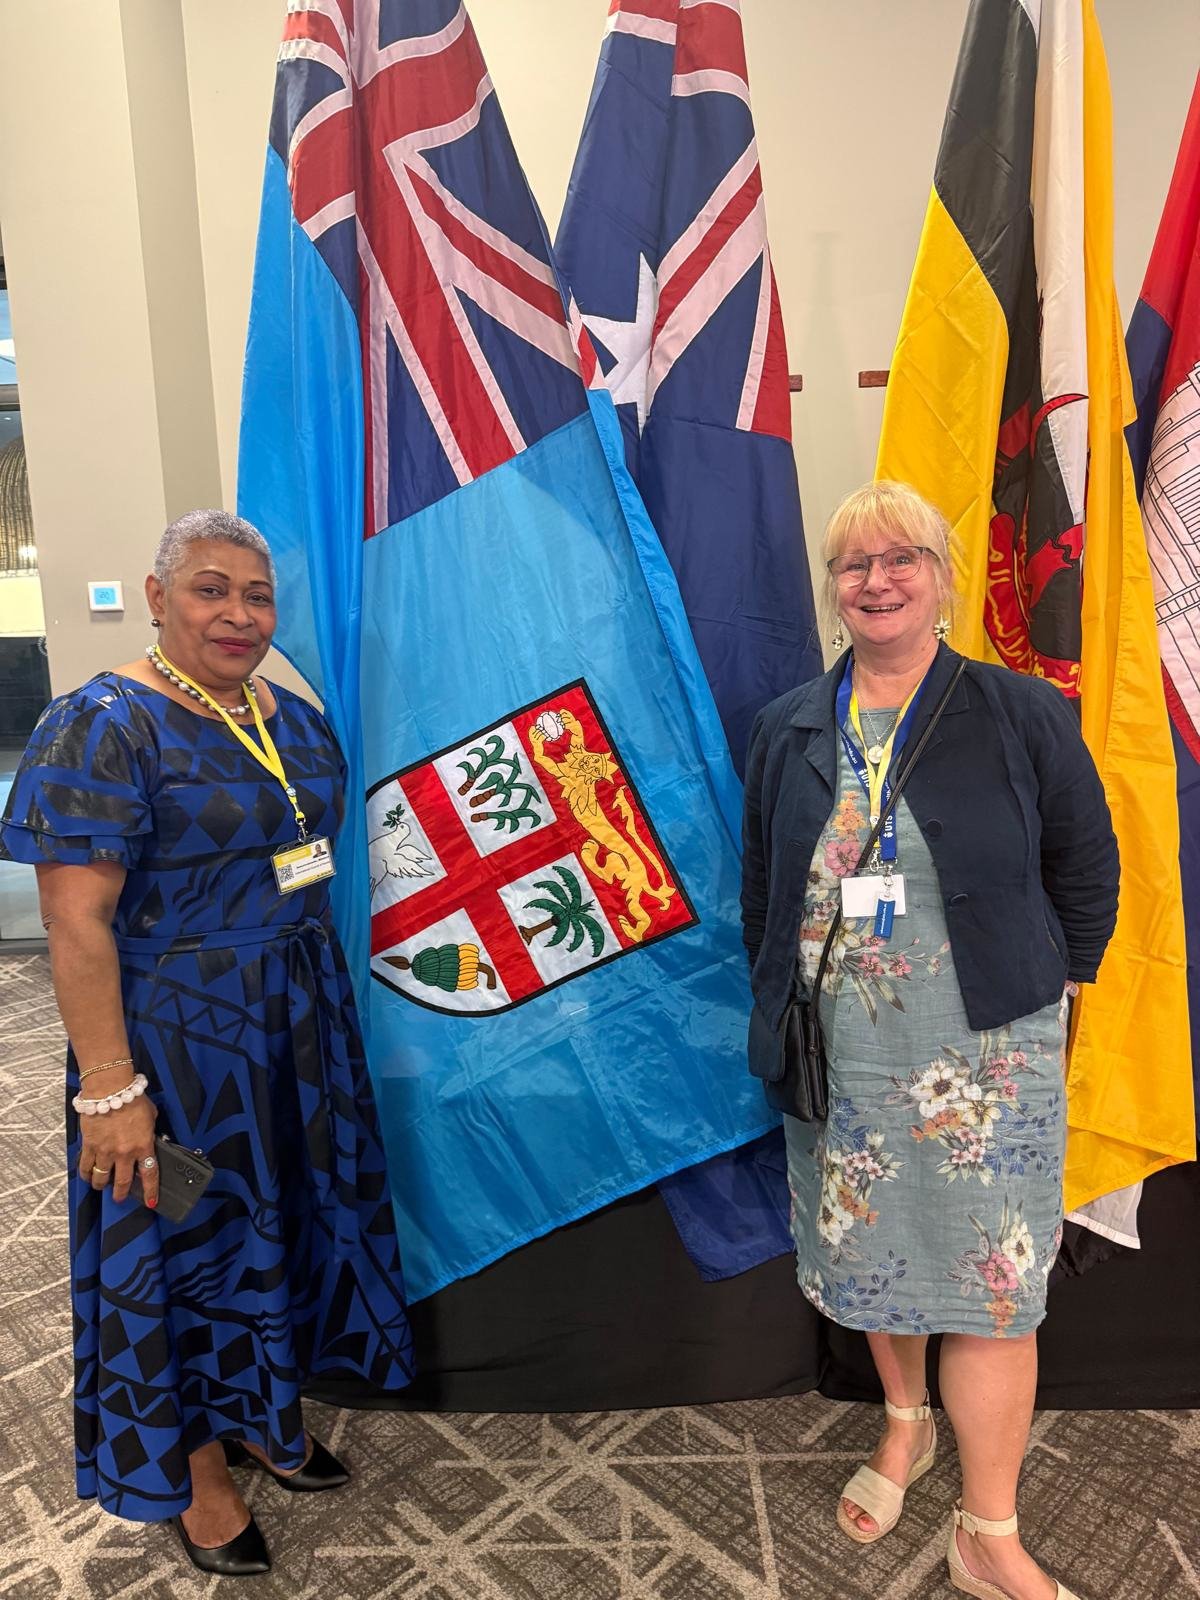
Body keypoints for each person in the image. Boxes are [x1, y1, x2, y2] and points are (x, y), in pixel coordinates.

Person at [0, 509, 414, 1577]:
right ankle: (196, 1470)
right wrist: (109, 1087)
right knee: (182, 1249)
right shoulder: (101, 725)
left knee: (276, 1233)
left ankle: (259, 1415)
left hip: (293, 1028)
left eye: (257, 596)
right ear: (156, 595)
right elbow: (75, 921)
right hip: (174, 1053)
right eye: (210, 589)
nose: (239, 614)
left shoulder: (292, 717)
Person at [741, 482, 1118, 1600]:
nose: (877, 580)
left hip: (989, 1055)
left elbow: (1086, 867)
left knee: (996, 1282)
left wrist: (1061, 987)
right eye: (854, 565)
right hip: (845, 1052)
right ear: (833, 590)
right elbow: (763, 882)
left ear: (944, 577)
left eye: (901, 557)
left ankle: (987, 1529)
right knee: (873, 1261)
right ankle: (902, 1425)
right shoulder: (789, 726)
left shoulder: (1015, 710)